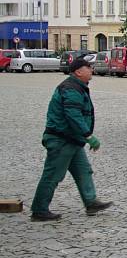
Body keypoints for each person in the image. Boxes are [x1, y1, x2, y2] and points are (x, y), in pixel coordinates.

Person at [30, 58, 113, 221]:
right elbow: (73, 115)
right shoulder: (71, 88)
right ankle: (39, 210)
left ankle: (91, 203)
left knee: (84, 171)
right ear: (78, 72)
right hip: (61, 140)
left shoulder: (77, 87)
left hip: (71, 140)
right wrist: (88, 136)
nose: (91, 69)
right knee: (53, 174)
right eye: (88, 67)